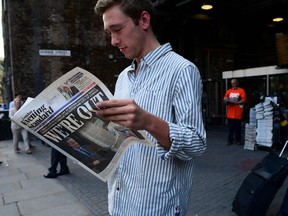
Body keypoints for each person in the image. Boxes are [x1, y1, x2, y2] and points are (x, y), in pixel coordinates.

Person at [94, 1, 207, 215]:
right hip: (119, 200)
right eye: (109, 33)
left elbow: (197, 144)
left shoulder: (182, 70)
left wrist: (148, 122)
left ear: (144, 20)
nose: (113, 41)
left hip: (156, 206)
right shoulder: (124, 78)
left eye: (117, 30)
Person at [223, 78, 247, 145]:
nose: (233, 85)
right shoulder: (229, 91)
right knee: (230, 129)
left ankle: (238, 140)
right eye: (232, 83)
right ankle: (229, 141)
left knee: (238, 129)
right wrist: (226, 100)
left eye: (234, 83)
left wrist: (236, 103)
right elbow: (224, 98)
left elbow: (244, 100)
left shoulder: (241, 90)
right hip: (230, 114)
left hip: (238, 114)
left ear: (237, 83)